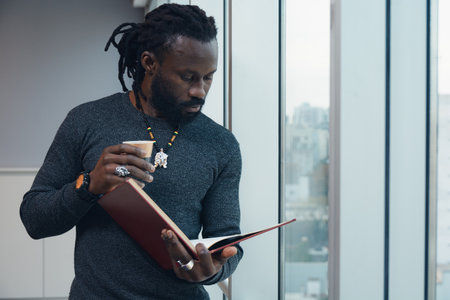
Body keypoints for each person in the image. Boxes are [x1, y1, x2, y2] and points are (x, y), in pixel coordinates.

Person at [20, 4, 243, 299]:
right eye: (188, 77)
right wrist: (90, 185)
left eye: (208, 77)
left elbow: (229, 241)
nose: (199, 91)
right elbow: (34, 219)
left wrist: (214, 270)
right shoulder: (86, 120)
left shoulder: (222, 144)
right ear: (149, 62)